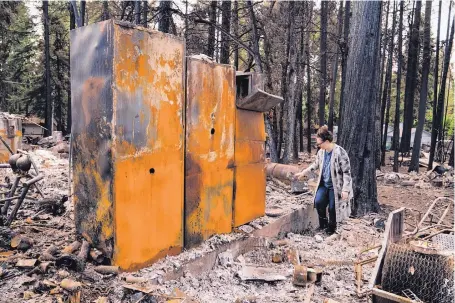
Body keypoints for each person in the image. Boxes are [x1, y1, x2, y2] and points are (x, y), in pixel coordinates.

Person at [294, 125, 353, 234]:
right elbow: (315, 165)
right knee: (318, 202)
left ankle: (331, 229)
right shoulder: (321, 153)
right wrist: (303, 172)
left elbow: (346, 172)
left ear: (326, 141)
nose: (318, 146)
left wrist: (345, 189)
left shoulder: (340, 152)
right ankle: (323, 225)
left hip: (335, 187)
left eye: (319, 144)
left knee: (332, 208)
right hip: (324, 184)